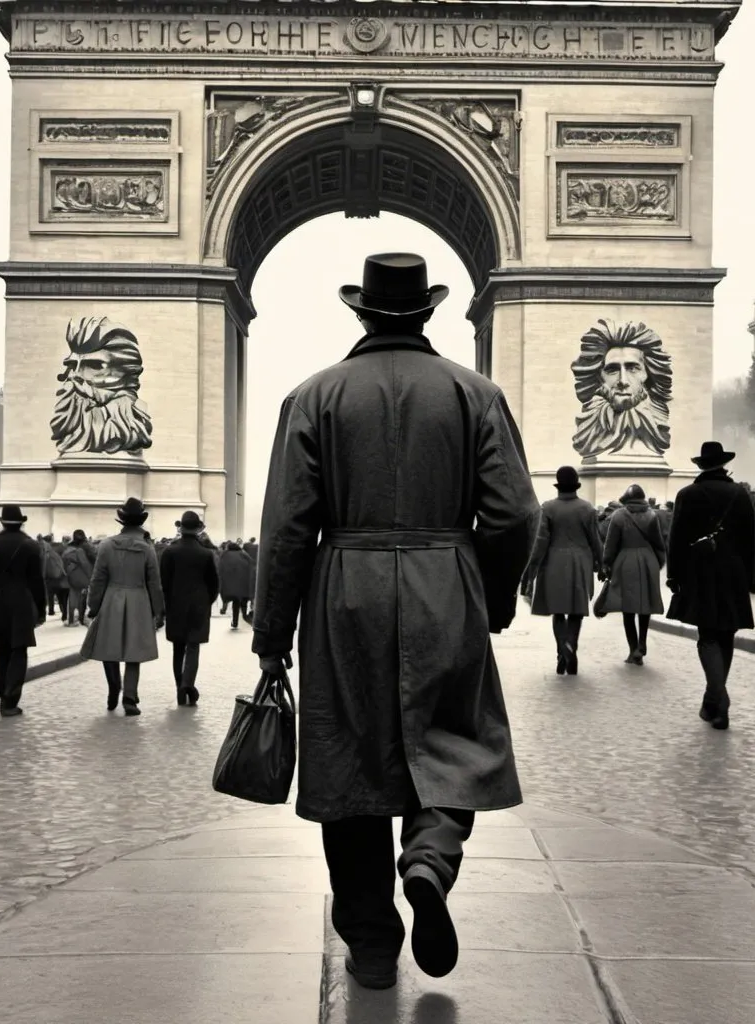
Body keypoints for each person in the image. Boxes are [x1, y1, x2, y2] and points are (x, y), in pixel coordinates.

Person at [251, 253, 539, 990]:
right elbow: (513, 513)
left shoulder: (313, 397)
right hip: (448, 582)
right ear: (428, 313)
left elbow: (287, 528)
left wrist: (272, 637)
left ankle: (373, 944)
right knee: (453, 739)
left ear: (362, 313)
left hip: (345, 586)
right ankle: (431, 862)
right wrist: (494, 592)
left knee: (348, 762)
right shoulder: (476, 394)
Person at [666, 441, 755, 731]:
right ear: (723, 464)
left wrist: (674, 575)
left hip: (699, 570)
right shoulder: (740, 495)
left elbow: (676, 540)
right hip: (733, 571)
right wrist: (750, 577)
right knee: (727, 634)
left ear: (700, 465)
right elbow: (749, 540)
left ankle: (718, 698)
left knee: (707, 635)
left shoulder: (687, 494)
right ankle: (713, 699)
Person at [81, 498, 164, 716]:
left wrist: (93, 605)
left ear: (122, 521)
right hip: (138, 599)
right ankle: (129, 698)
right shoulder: (147, 549)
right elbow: (154, 583)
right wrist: (158, 610)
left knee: (109, 647)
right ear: (140, 522)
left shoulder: (107, 545)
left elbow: (98, 578)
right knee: (133, 653)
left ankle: (113, 686)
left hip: (112, 597)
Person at [525, 465, 602, 675]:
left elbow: (541, 541)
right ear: (576, 486)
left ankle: (561, 651)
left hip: (554, 562)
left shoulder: (548, 508)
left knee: (558, 612)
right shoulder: (587, 509)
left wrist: (531, 569)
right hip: (580, 562)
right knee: (576, 611)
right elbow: (595, 541)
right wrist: (602, 564)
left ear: (558, 486)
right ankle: (571, 645)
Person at [0, 505, 47, 716]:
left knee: (3, 650)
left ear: (2, 522)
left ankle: (2, 696)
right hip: (21, 601)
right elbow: (37, 582)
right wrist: (41, 609)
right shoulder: (31, 546)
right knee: (19, 650)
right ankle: (11, 698)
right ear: (21, 522)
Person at [600, 483, 665, 665]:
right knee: (645, 605)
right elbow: (659, 543)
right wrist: (658, 563)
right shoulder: (652, 515)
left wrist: (606, 563)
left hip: (626, 560)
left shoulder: (619, 516)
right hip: (648, 559)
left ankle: (633, 649)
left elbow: (611, 544)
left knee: (627, 608)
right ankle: (643, 643)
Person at [159, 510, 220, 705]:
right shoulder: (205, 553)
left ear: (181, 527)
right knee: (193, 647)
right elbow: (214, 584)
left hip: (175, 604)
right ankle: (188, 683)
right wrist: (206, 601)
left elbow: (164, 582)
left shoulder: (169, 551)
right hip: (199, 605)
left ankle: (180, 688)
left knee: (178, 648)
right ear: (198, 529)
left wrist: (164, 606)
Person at [61, 529, 93, 626]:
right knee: (83, 598)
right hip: (81, 577)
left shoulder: (66, 551)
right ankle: (82, 619)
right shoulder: (79, 551)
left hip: (71, 578)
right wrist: (91, 577)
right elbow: (85, 564)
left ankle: (71, 620)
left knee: (72, 598)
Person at [217, 540, 252, 629]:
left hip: (228, 582)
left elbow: (220, 567)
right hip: (241, 582)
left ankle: (228, 614)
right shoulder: (244, 554)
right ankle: (239, 619)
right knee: (237, 602)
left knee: (229, 599)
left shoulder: (225, 554)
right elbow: (251, 565)